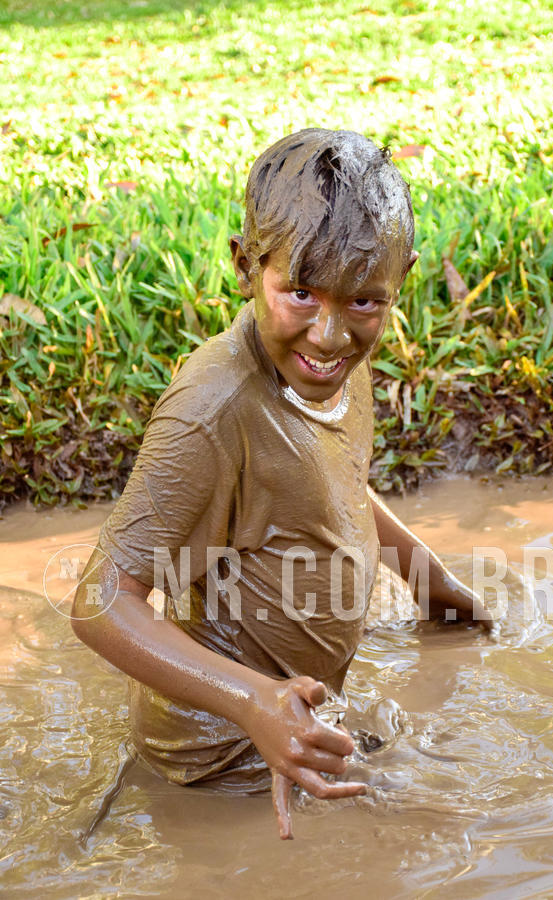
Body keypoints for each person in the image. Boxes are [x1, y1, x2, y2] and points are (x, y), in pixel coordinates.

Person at [73, 128, 490, 840]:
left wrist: (428, 577)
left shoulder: (331, 364)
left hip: (296, 715)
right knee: (460, 834)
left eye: (364, 303)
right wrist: (251, 701)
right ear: (245, 265)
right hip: (220, 760)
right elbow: (99, 602)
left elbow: (334, 485)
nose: (328, 334)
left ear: (399, 280)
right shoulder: (214, 410)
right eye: (300, 293)